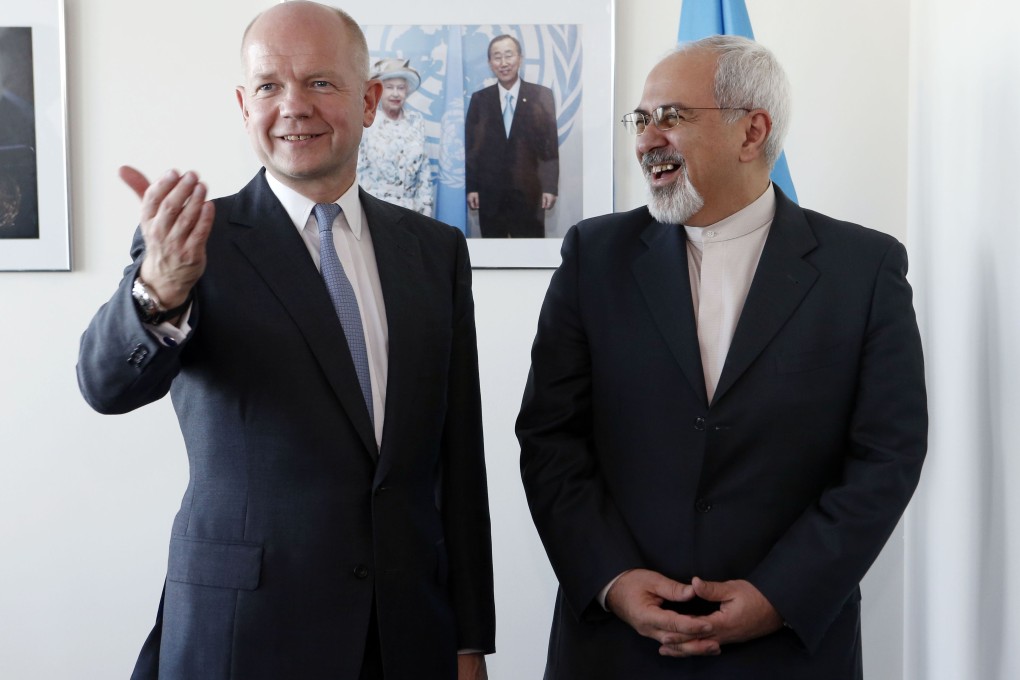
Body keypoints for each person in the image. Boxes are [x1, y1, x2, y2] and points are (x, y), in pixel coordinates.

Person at [76, 3, 495, 679]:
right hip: (242, 635)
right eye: (270, 86)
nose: (293, 106)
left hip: (404, 636)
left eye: (321, 83)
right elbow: (104, 386)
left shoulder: (434, 252)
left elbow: (458, 461)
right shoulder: (193, 240)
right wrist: (158, 288)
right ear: (244, 106)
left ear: (368, 100)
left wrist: (468, 641)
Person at [517, 35, 927, 680]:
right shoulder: (594, 257)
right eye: (642, 119)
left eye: (672, 116)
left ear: (751, 131)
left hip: (786, 648)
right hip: (616, 647)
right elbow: (549, 439)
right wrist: (615, 581)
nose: (649, 138)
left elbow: (886, 455)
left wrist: (778, 596)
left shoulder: (863, 270)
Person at [465, 34, 558, 238]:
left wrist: (550, 187)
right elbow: (472, 148)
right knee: (493, 255)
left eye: (509, 55)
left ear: (520, 58)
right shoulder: (480, 99)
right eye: (497, 57)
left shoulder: (540, 96)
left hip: (530, 193)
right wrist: (471, 188)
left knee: (531, 255)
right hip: (490, 194)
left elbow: (549, 147)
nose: (503, 63)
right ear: (490, 63)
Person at [357, 58, 434, 216]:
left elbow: (424, 172)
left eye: (401, 88)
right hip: (375, 211)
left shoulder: (416, 121)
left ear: (407, 91)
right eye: (389, 87)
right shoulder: (367, 123)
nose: (395, 93)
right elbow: (358, 170)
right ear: (379, 91)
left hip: (411, 212)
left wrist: (425, 210)